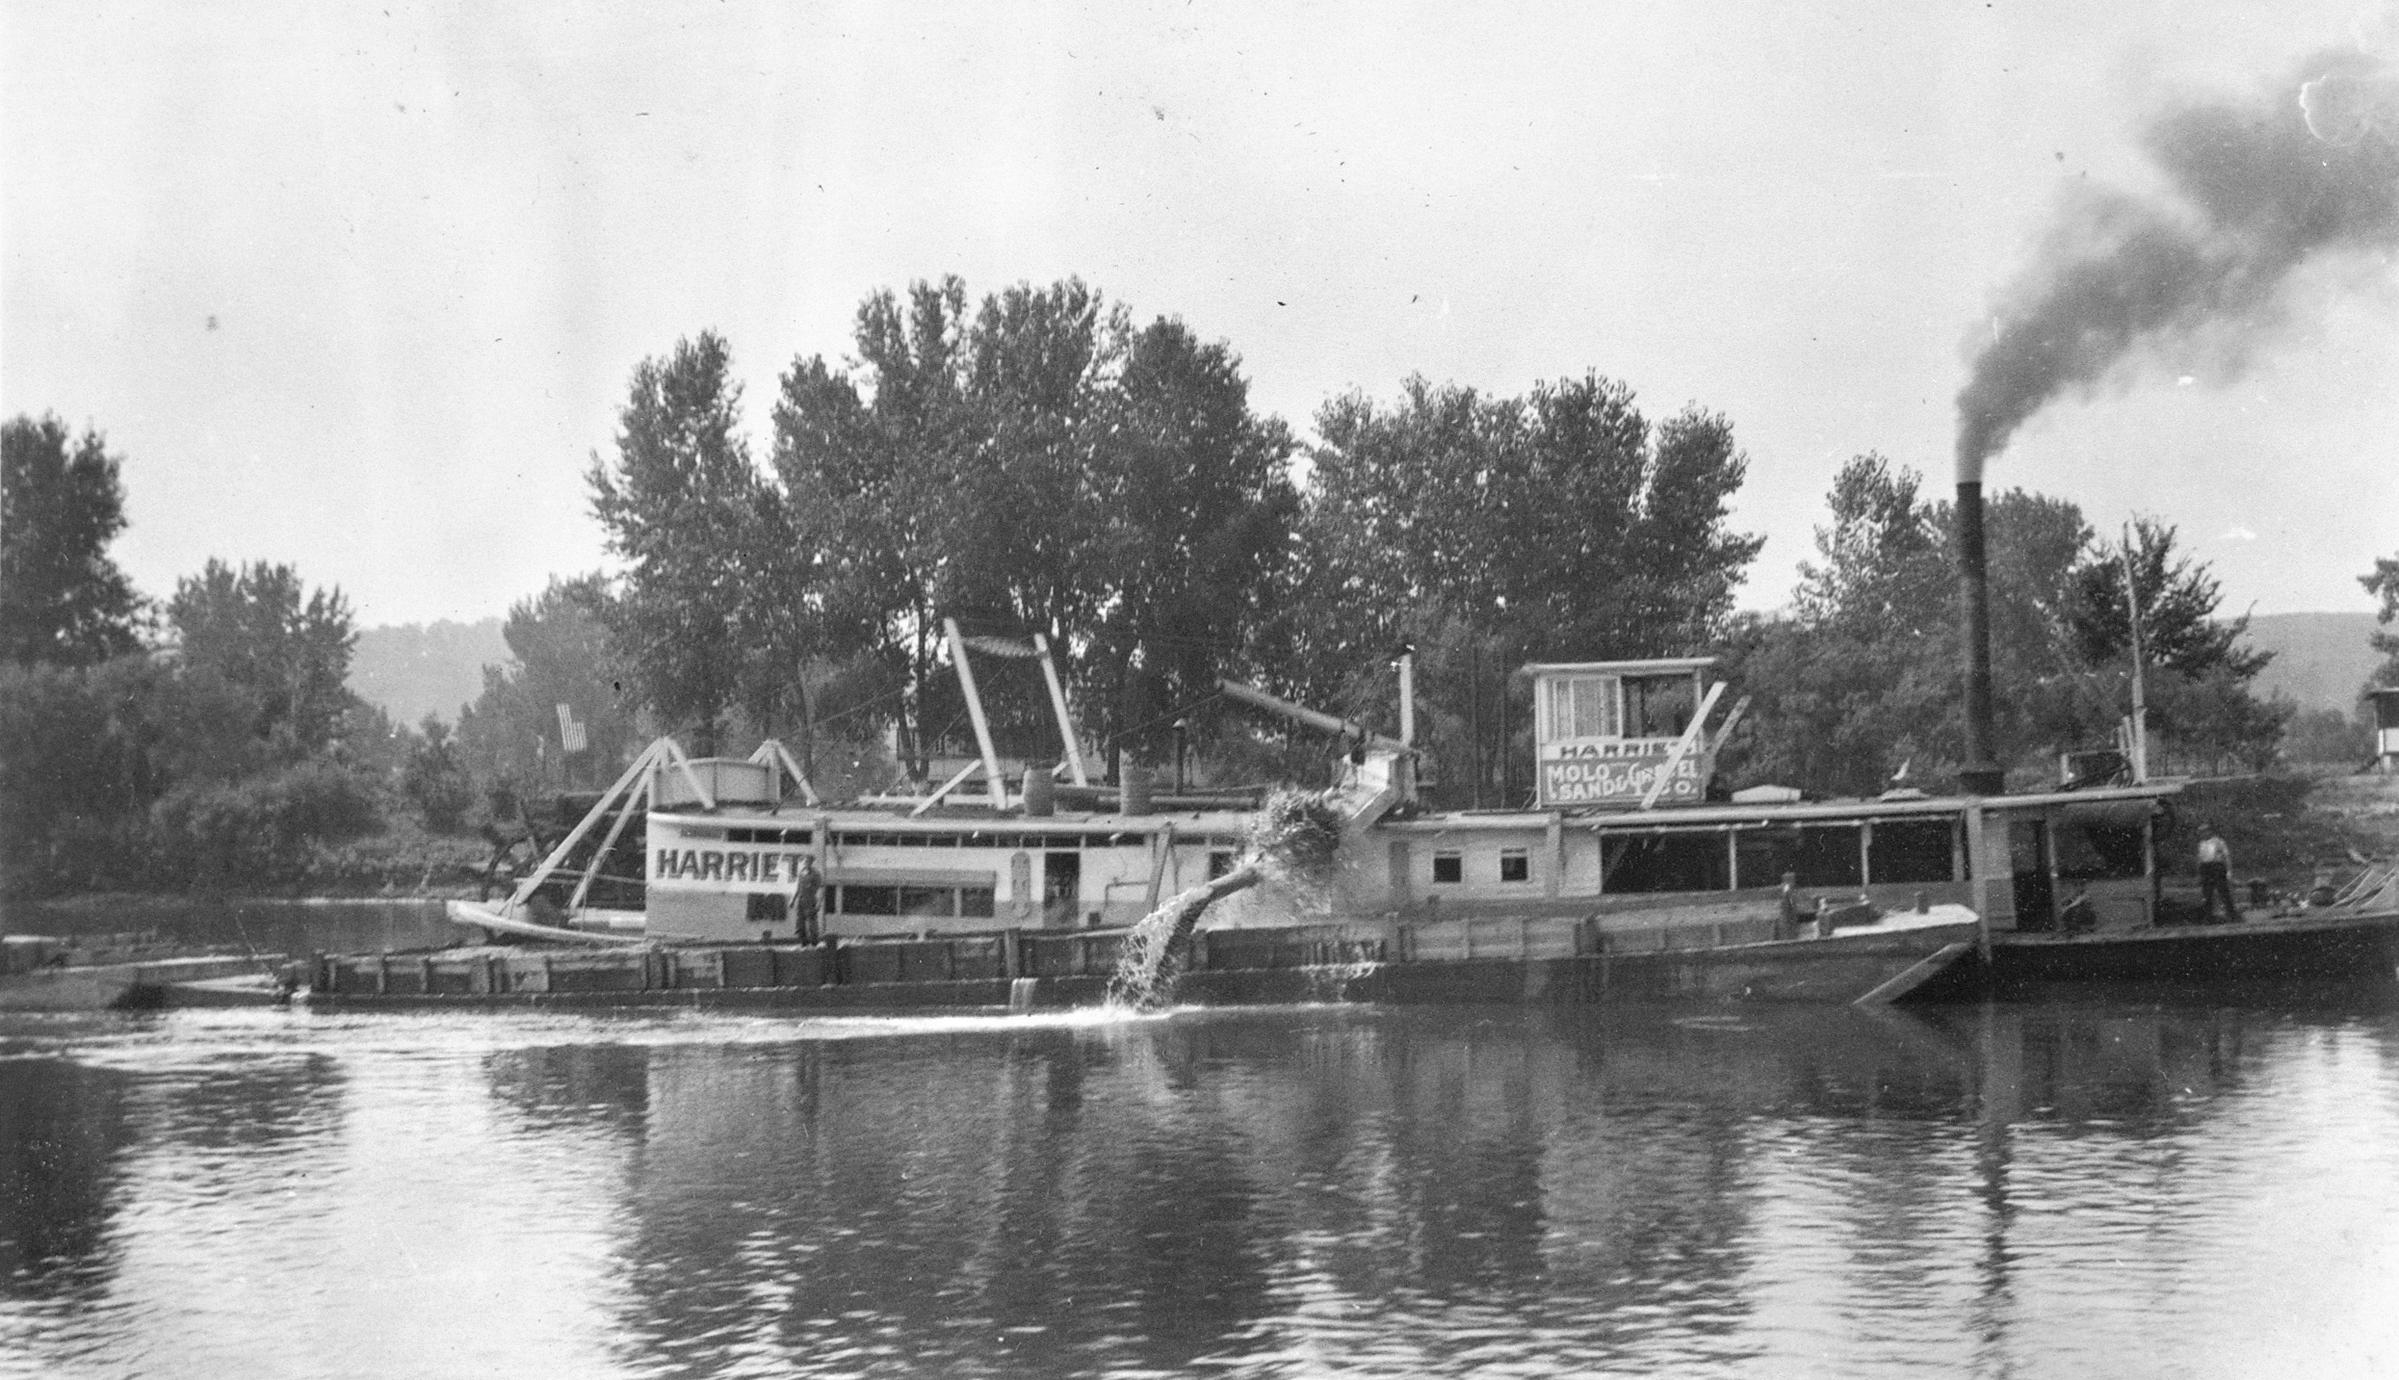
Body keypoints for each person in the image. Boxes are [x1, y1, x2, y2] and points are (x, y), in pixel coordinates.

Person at [2197, 825, 2239, 923]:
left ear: (2210, 831)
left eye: (2204, 831)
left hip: (2217, 867)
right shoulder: (2201, 844)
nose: (2203, 834)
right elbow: (2199, 859)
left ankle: (2232, 915)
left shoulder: (2219, 842)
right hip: (2206, 868)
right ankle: (2208, 917)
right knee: (2207, 893)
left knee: (2223, 891)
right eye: (2201, 832)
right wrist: (2199, 873)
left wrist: (2229, 871)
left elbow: (2226, 856)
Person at [789, 857, 822, 943]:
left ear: (811, 862)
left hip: (810, 900)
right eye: (805, 861)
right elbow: (798, 887)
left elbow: (821, 889)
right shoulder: (802, 873)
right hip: (801, 900)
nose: (806, 863)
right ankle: (803, 942)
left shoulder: (816, 874)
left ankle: (814, 942)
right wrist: (793, 900)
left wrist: (819, 903)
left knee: (812, 923)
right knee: (800, 923)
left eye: (808, 861)